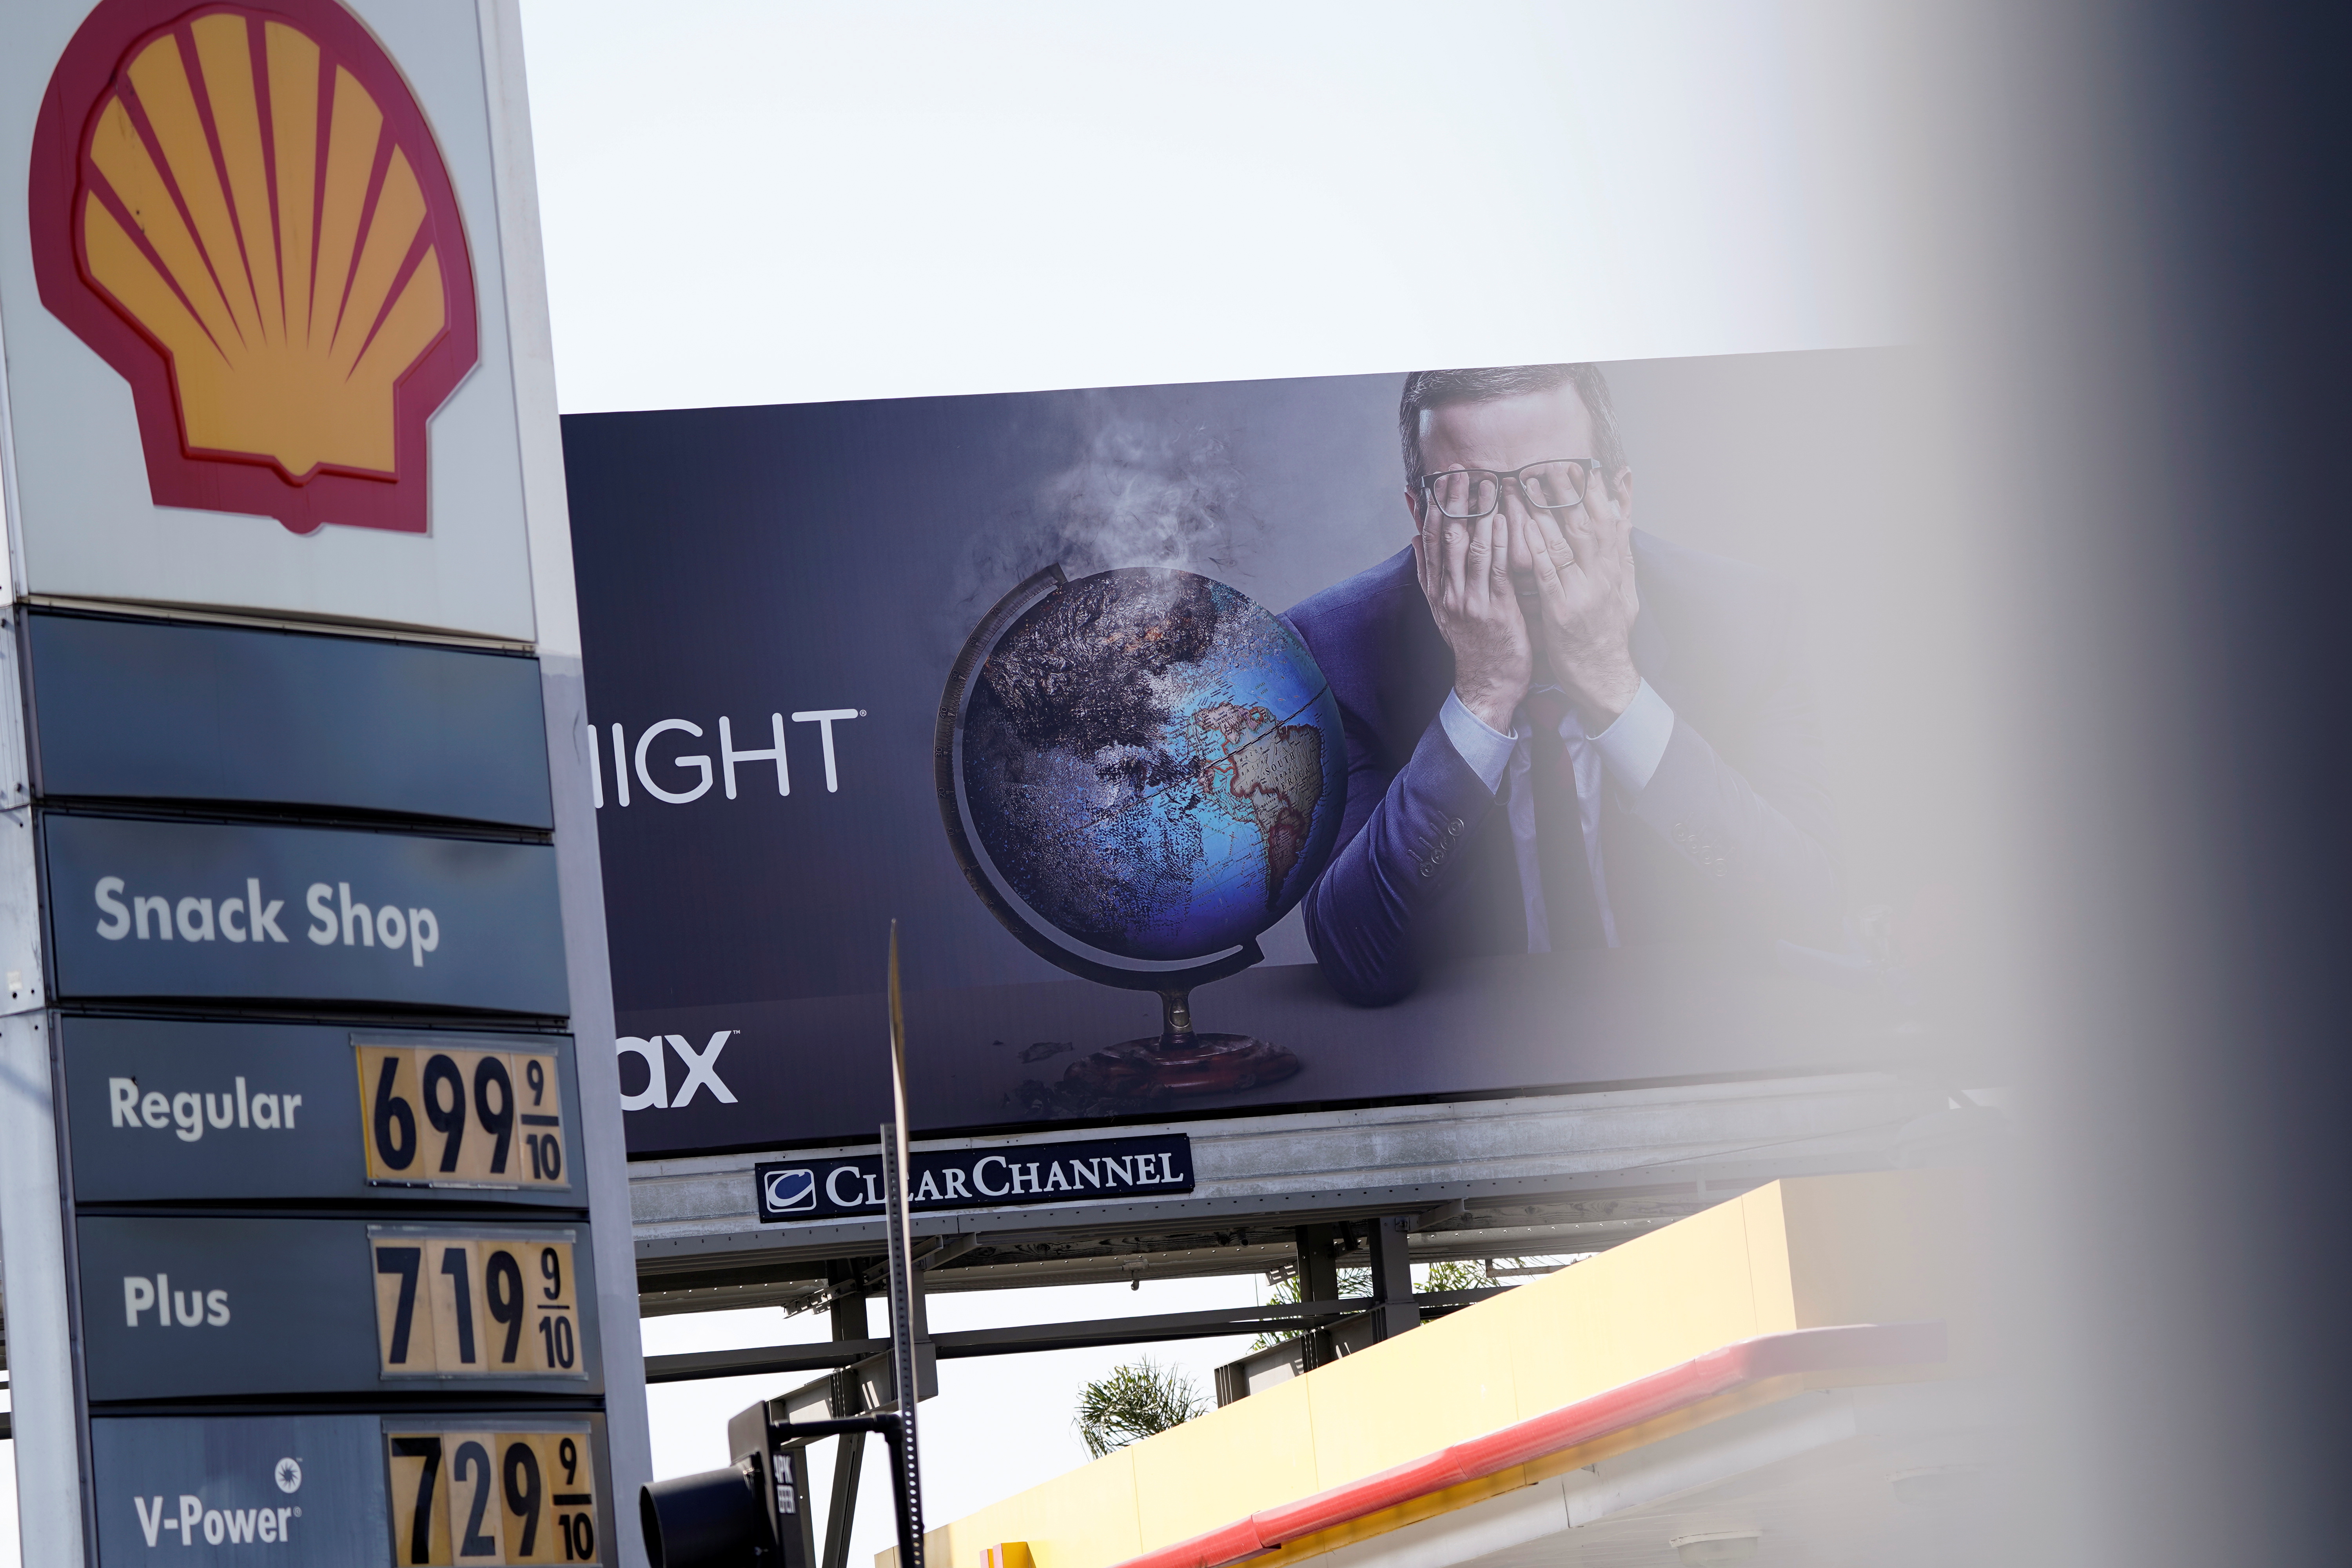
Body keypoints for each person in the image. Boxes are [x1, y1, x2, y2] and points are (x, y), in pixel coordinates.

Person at [1284, 364, 1842, 1006]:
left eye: (1553, 488)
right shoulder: (1333, 655)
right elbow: (1360, 961)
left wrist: (1613, 685)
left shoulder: (1747, 623)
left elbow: (1808, 914)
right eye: (1470, 498)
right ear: (1421, 515)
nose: (1520, 550)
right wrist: (1483, 695)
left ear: (1620, 499)